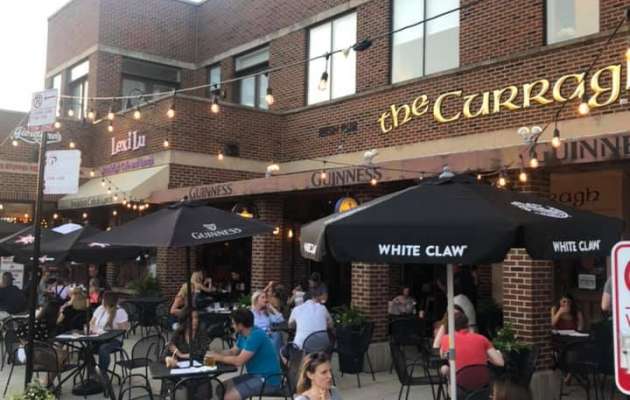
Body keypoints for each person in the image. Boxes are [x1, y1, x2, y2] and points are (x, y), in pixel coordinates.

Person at [208, 308, 283, 400]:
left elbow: (238, 361)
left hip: (268, 380)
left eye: (233, 323)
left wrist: (218, 358)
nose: (232, 326)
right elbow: (233, 352)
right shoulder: (243, 334)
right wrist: (216, 353)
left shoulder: (256, 335)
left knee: (229, 397)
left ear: (240, 325)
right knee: (221, 388)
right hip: (254, 375)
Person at [16, 301, 67, 387]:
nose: (61, 313)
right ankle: (47, 383)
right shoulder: (46, 326)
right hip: (32, 353)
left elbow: (18, 332)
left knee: (61, 356)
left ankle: (47, 383)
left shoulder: (36, 322)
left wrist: (25, 343)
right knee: (61, 357)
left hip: (24, 352)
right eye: (60, 311)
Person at [439, 313, 504, 372]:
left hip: (460, 378)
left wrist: (457, 354)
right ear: (467, 324)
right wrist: (486, 356)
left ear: (451, 325)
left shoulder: (447, 339)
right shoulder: (482, 338)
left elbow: (444, 357)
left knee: (445, 369)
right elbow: (500, 362)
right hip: (482, 378)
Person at [284, 288, 333, 359]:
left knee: (288, 346)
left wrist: (298, 323)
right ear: (313, 298)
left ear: (303, 300)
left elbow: (290, 325)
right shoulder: (323, 308)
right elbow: (331, 325)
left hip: (303, 345)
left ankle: (296, 363)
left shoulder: (297, 309)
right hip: (322, 344)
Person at [89, 291, 129, 372]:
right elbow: (91, 322)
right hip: (98, 338)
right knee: (85, 349)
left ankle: (102, 372)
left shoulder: (119, 311)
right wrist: (94, 329)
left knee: (103, 348)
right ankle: (92, 370)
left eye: (103, 299)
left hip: (114, 340)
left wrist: (110, 329)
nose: (101, 300)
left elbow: (124, 329)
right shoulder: (100, 309)